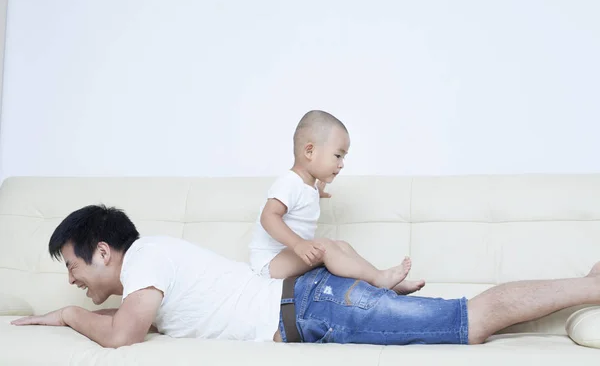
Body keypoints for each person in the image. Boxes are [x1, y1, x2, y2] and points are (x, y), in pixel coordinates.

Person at [11, 205, 600, 348]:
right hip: (315, 302)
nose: (71, 281)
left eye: (72, 265)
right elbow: (130, 318)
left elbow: (123, 334)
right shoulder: (149, 270)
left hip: (321, 308)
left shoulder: (144, 261)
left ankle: (592, 286)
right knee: (468, 319)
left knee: (469, 321)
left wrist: (67, 317)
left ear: (106, 252)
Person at [249, 110, 424, 294]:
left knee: (341, 246)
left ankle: (382, 280)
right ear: (310, 151)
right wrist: (298, 244)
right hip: (270, 263)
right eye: (337, 155)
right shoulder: (289, 182)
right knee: (325, 247)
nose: (341, 164)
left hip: (285, 257)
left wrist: (317, 193)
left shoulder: (307, 186)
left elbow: (300, 204)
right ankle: (379, 280)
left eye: (344, 157)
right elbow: (268, 217)